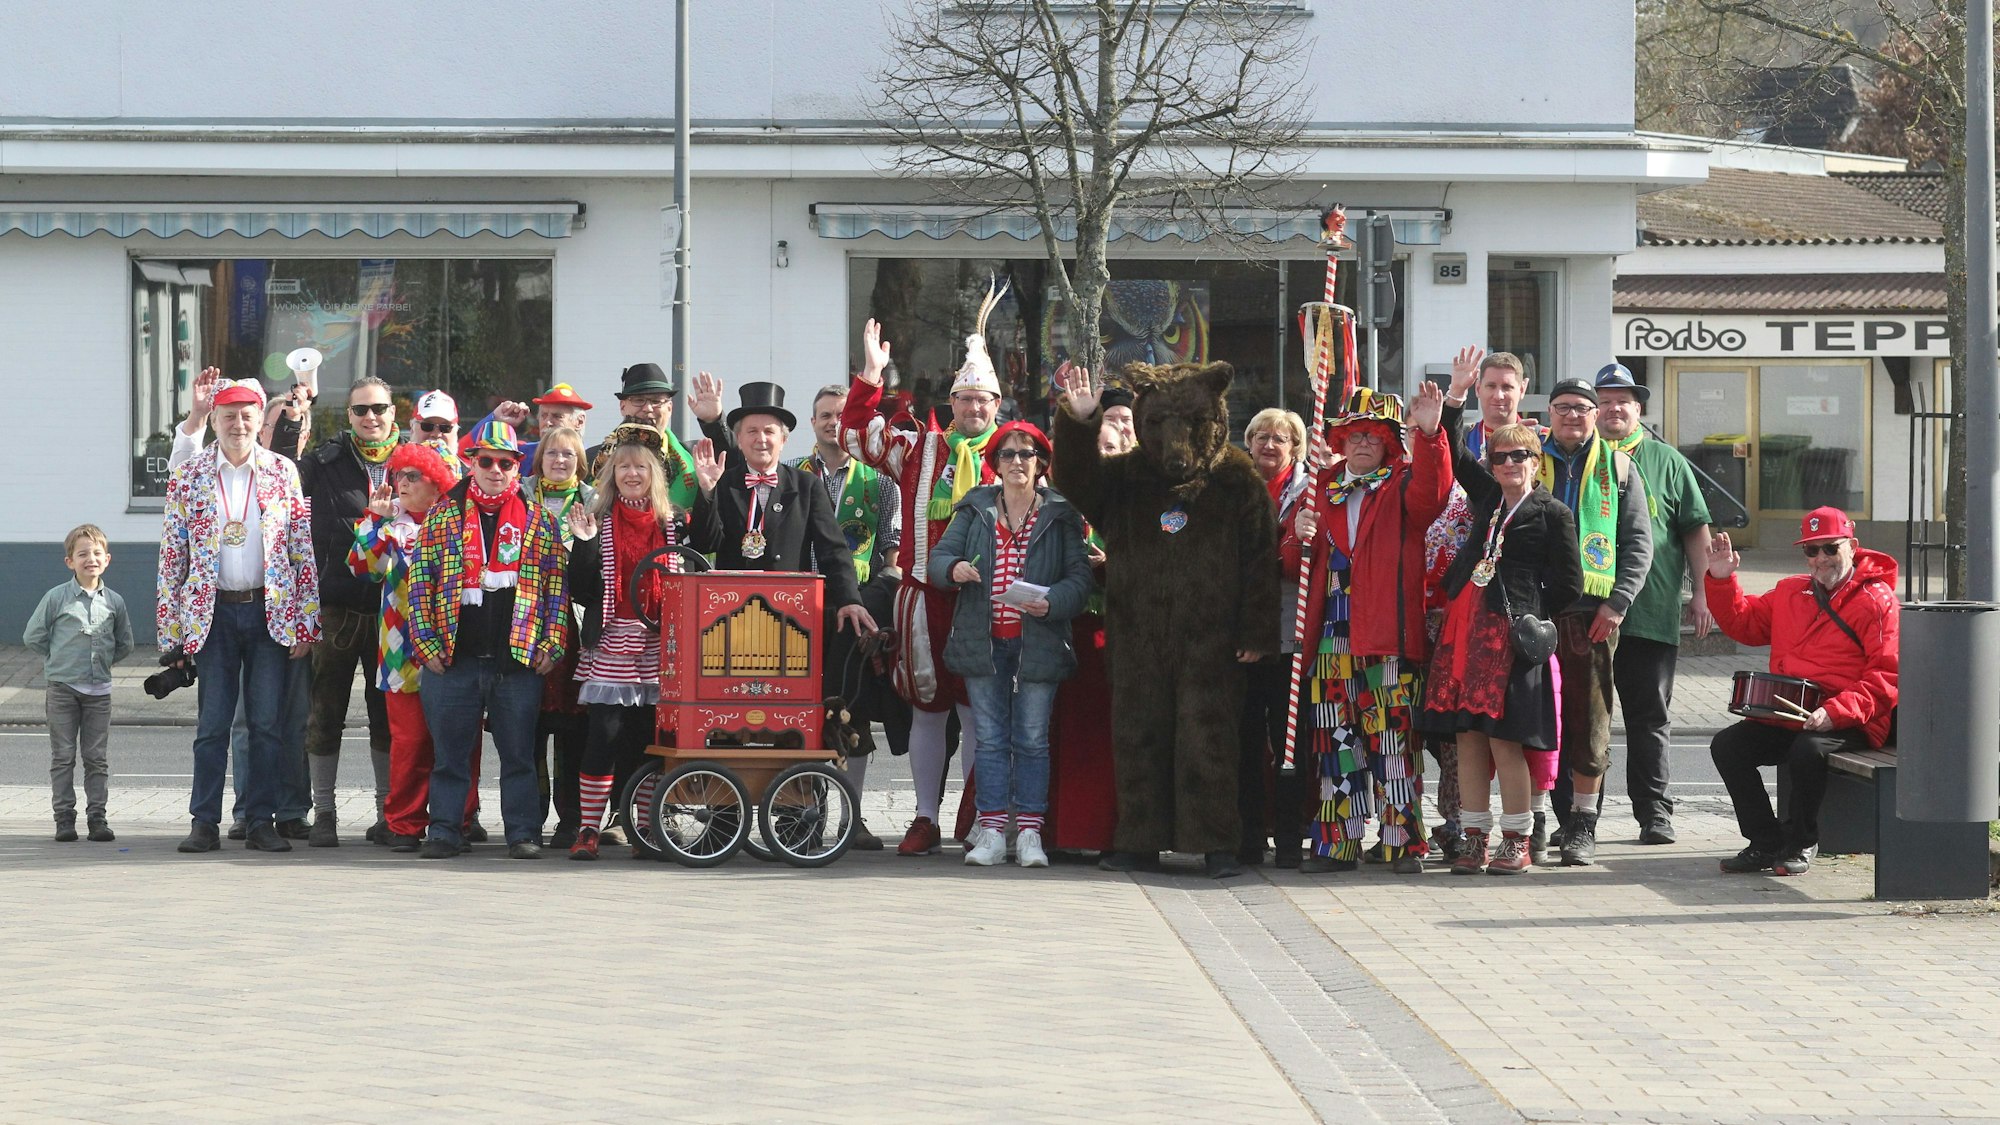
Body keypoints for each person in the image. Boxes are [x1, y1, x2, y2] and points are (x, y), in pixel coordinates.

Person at [842, 314, 1006, 856]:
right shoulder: (919, 449)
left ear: (997, 406)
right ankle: (925, 817)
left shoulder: (1017, 454)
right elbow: (855, 435)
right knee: (929, 709)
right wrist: (870, 376)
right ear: (952, 402)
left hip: (988, 603)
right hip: (923, 599)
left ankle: (985, 817)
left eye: (984, 401)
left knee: (980, 711)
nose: (974, 409)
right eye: (965, 399)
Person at [1284, 384, 1452, 874]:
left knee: (1395, 746)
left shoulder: (1403, 482)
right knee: (1336, 749)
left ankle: (1402, 844)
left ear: (1387, 444)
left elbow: (1433, 496)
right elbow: (1293, 565)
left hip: (1387, 642)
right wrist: (1297, 537)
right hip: (1331, 642)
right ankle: (1338, 844)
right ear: (1341, 440)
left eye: (1372, 438)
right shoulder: (1319, 486)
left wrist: (1429, 432)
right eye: (1354, 435)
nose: (1362, 444)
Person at [157, 378, 322, 855]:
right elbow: (173, 558)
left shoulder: (281, 472)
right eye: (228, 414)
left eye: (247, 414)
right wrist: (172, 634)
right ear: (214, 419)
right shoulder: (189, 475)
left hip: (269, 614)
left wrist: (307, 623)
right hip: (213, 618)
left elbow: (300, 551)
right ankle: (203, 822)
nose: (238, 423)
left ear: (258, 419)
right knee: (212, 726)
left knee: (267, 725)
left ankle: (259, 822)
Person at [1419, 424, 1584, 875]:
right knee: (1467, 737)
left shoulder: (1553, 513)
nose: (1509, 463)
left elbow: (1571, 585)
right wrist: (1450, 405)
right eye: (1500, 457)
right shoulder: (1490, 498)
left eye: (1519, 456)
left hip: (1510, 639)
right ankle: (1475, 839)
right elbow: (1454, 453)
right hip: (1465, 628)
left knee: (1505, 740)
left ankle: (1517, 840)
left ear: (1536, 460)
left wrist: (1533, 613)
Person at [928, 421, 1092, 867]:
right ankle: (993, 832)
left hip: (1037, 643)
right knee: (991, 740)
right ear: (995, 463)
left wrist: (1053, 601)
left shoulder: (1061, 514)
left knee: (1033, 739)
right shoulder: (974, 509)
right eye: (1008, 454)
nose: (1017, 462)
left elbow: (1080, 578)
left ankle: (1032, 835)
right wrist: (956, 568)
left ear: (1041, 463)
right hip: (984, 644)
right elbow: (938, 559)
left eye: (1026, 454)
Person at [408, 421, 570, 860]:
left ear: (518, 466)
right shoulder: (443, 516)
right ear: (471, 463)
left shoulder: (539, 521)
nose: (496, 470)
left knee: (519, 756)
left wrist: (551, 644)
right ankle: (444, 830)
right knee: (449, 756)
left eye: (506, 462)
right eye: (487, 461)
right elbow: (421, 584)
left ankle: (522, 833)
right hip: (453, 657)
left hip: (516, 659)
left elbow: (557, 588)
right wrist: (425, 643)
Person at [1706, 509, 1898, 877]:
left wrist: (1836, 712)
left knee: (1806, 751)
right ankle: (1765, 842)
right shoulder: (1791, 590)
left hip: (1855, 718)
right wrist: (1721, 578)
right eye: (1812, 551)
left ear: (1852, 547)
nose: (1820, 559)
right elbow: (1743, 624)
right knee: (1728, 746)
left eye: (1830, 548)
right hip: (1793, 713)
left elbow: (1887, 676)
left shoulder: (1877, 599)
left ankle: (1801, 841)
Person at [1593, 363, 1713, 846]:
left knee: (1649, 720)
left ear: (1638, 409)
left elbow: (1694, 531)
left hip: (1651, 613)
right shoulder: (1582, 457)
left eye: (1623, 400)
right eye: (1604, 400)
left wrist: (1702, 593)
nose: (1613, 408)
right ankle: (1583, 816)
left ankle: (1654, 813)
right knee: (1588, 720)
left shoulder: (1667, 461)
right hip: (1592, 615)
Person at [1536, 378, 1652, 866]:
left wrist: (1618, 602)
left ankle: (1583, 824)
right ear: (1549, 412)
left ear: (1594, 414)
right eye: (1562, 407)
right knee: (1535, 720)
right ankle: (1535, 818)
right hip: (1534, 613)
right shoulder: (1523, 457)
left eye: (1582, 408)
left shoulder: (1620, 468)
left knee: (1590, 723)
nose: (1571, 415)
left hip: (1593, 613)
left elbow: (1638, 544)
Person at [565, 423, 684, 861]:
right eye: (623, 467)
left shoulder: (673, 523)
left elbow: (708, 546)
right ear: (611, 475)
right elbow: (579, 588)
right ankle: (589, 828)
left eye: (640, 466)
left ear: (654, 473)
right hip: (613, 638)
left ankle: (646, 825)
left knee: (649, 739)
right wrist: (584, 545)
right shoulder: (597, 520)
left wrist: (706, 491)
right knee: (603, 736)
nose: (632, 474)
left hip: (660, 643)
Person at [348, 442, 472, 851]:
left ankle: (459, 818)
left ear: (437, 484)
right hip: (401, 651)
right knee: (411, 742)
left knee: (456, 740)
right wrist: (373, 519)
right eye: (398, 474)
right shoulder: (388, 524)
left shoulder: (457, 523)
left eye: (412, 476)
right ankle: (403, 823)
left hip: (451, 647)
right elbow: (361, 569)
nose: (401, 482)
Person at [298, 375, 403, 847]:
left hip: (393, 612)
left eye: (378, 408)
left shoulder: (414, 464)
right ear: (349, 416)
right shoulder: (324, 462)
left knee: (387, 717)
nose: (371, 418)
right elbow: (280, 485)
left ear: (393, 412)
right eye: (361, 410)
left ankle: (387, 814)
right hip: (336, 607)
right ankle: (324, 814)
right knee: (325, 714)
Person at [796, 382, 903, 850]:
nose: (833, 423)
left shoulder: (880, 480)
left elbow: (892, 556)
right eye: (825, 415)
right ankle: (804, 814)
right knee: (802, 711)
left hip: (857, 613)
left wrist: (874, 602)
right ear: (812, 420)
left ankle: (852, 816)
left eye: (841, 414)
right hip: (797, 609)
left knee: (851, 712)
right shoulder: (790, 474)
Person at [23, 524, 134, 843]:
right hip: (62, 689)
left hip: (99, 692)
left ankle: (97, 818)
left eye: (97, 553)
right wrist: (59, 660)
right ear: (70, 561)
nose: (91, 559)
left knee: (96, 758)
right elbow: (33, 636)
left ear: (107, 559)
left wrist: (101, 661)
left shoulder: (114, 602)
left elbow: (123, 642)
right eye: (82, 553)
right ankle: (64, 817)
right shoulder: (56, 598)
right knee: (63, 755)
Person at [1237, 407, 1311, 867]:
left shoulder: (1310, 492)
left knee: (1291, 744)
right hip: (1243, 639)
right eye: (1261, 435)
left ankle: (1288, 837)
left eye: (1280, 438)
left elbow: (1295, 566)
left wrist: (1298, 540)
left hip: (1291, 637)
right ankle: (1247, 835)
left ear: (1295, 448)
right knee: (1245, 742)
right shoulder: (1233, 487)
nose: (1269, 444)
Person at [527, 425, 596, 849]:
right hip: (527, 625)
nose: (559, 460)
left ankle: (572, 819)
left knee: (575, 730)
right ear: (539, 459)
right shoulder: (520, 495)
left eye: (568, 454)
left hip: (576, 627)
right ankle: (528, 816)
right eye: (552, 453)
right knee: (528, 728)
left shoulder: (594, 502)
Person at [1445, 348, 1543, 461]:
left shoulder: (1542, 440)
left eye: (1507, 387)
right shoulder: (1462, 438)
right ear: (1478, 388)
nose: (1498, 396)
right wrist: (1456, 392)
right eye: (1491, 386)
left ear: (1522, 390)